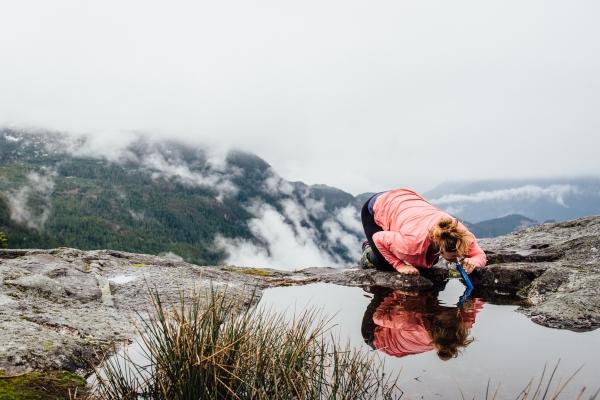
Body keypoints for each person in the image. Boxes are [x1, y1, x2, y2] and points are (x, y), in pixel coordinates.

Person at [360, 188, 487, 275]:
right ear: (441, 249)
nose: (459, 258)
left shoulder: (461, 234)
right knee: (385, 266)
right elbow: (378, 238)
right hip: (378, 205)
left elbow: (480, 256)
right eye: (454, 256)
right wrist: (400, 266)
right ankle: (368, 249)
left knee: (427, 263)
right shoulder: (412, 243)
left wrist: (474, 262)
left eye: (460, 254)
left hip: (407, 199)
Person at [361, 288, 484, 360]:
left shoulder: (412, 323)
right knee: (428, 292)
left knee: (383, 290)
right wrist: (472, 303)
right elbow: (476, 303)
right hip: (402, 339)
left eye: (451, 313)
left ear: (436, 321)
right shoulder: (461, 325)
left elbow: (377, 317)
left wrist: (395, 294)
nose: (457, 312)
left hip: (374, 335)